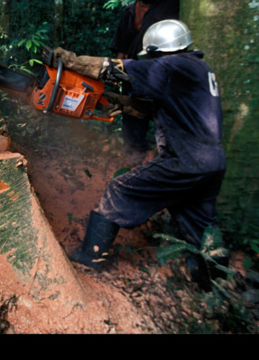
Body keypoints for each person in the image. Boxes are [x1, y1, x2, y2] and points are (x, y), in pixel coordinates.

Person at [53, 19, 228, 291]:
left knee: (119, 189)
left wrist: (70, 60)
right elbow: (156, 109)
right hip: (213, 163)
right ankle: (214, 286)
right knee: (201, 226)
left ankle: (90, 256)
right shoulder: (198, 69)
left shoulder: (172, 66)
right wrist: (120, 103)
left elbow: (113, 69)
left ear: (160, 52)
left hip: (186, 160)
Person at [109, 0, 180, 158]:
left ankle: (162, 151)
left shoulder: (169, 6)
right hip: (134, 69)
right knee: (131, 108)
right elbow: (121, 46)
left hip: (159, 69)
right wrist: (117, 71)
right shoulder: (130, 11)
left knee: (161, 110)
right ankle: (134, 148)